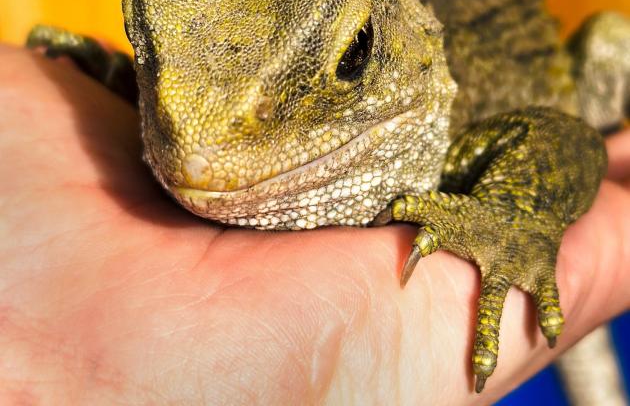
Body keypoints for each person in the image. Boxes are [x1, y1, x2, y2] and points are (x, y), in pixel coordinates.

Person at [1, 43, 629, 404]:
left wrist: (511, 218)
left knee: (610, 40)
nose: (197, 157)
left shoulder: (438, 122)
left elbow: (564, 141)